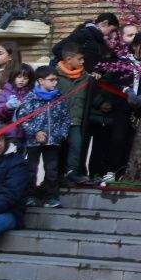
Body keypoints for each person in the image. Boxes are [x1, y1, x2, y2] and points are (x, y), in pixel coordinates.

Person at [93, 32, 141, 183]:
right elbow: (112, 81)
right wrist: (126, 90)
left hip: (140, 109)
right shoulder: (123, 61)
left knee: (132, 141)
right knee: (117, 138)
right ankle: (111, 170)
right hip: (122, 106)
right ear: (135, 46)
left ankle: (125, 172)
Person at [19, 65, 70, 207]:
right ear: (41, 81)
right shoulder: (31, 97)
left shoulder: (59, 97)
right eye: (51, 80)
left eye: (56, 80)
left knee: (51, 170)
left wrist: (60, 134)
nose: (55, 83)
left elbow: (65, 118)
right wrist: (35, 132)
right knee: (31, 169)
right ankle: (30, 196)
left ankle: (51, 197)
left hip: (53, 141)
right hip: (33, 142)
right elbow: (23, 119)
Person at [54, 42, 95, 185]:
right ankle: (56, 175)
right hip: (58, 121)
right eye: (80, 59)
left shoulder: (86, 77)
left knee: (76, 146)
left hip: (75, 120)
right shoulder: (54, 75)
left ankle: (72, 172)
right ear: (69, 59)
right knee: (57, 148)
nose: (83, 62)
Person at [53, 13, 118, 72]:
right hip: (71, 76)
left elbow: (95, 59)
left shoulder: (98, 38)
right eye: (112, 30)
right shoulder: (84, 33)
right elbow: (57, 49)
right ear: (105, 23)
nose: (112, 33)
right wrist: (77, 67)